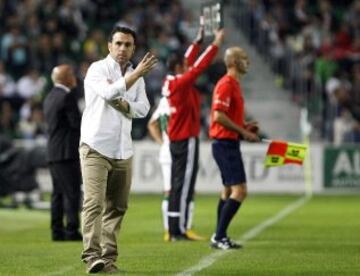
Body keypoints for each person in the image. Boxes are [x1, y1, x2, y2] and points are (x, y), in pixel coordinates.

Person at [79, 26, 157, 274]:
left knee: (117, 207)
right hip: (95, 146)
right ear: (109, 46)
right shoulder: (97, 69)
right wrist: (130, 84)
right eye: (119, 43)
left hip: (123, 149)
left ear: (134, 48)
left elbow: (143, 109)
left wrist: (125, 106)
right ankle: (92, 256)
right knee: (94, 203)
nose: (123, 48)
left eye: (128, 45)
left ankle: (108, 260)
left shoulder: (137, 76)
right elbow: (109, 92)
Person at [162, 27, 224, 241]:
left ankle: (174, 228)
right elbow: (198, 67)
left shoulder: (171, 81)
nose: (187, 65)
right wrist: (215, 44)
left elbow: (189, 61)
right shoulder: (180, 83)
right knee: (184, 185)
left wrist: (197, 42)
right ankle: (178, 230)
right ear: (179, 67)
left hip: (176, 138)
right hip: (186, 138)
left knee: (177, 184)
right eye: (184, 65)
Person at [209, 47, 260, 250]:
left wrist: (245, 126)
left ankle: (218, 236)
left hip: (228, 143)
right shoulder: (226, 84)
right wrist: (243, 132)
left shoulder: (234, 85)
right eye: (244, 58)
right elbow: (218, 116)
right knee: (240, 191)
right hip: (225, 145)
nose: (247, 61)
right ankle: (220, 236)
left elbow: (227, 116)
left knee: (228, 190)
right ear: (233, 62)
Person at [147, 96, 205, 241]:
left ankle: (175, 229)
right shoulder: (180, 100)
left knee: (176, 191)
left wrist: (162, 142)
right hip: (179, 147)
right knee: (178, 191)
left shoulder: (163, 101)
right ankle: (179, 229)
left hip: (168, 148)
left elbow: (152, 124)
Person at [43, 64, 82, 241]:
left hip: (53, 151)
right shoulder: (67, 97)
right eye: (71, 73)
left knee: (57, 193)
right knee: (72, 191)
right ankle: (72, 230)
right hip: (66, 152)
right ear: (65, 77)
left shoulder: (49, 97)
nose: (74, 76)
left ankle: (56, 231)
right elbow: (76, 124)